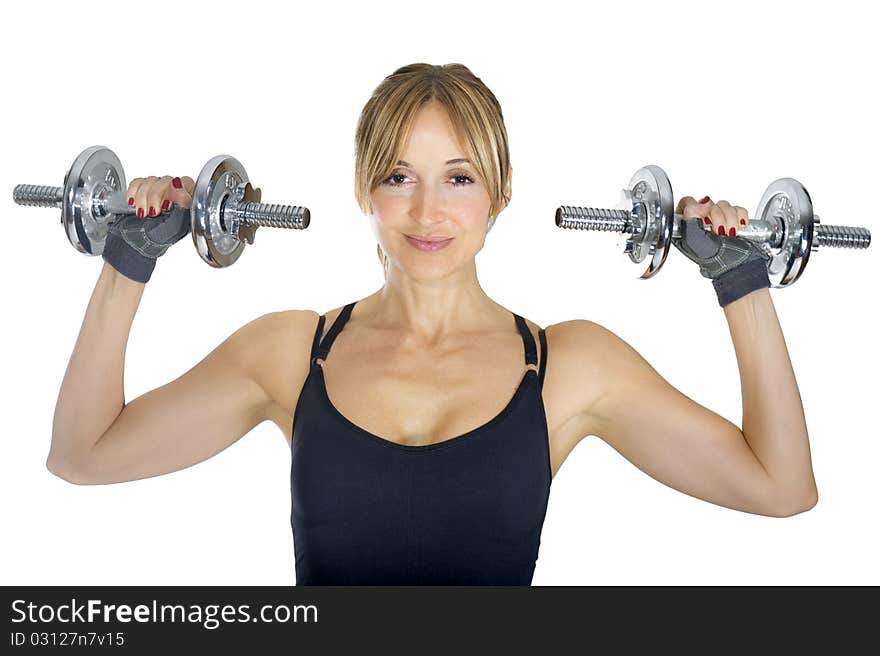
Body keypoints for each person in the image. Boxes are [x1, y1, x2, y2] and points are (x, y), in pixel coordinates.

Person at [46, 63, 818, 585]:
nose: (426, 212)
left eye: (458, 177)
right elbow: (85, 454)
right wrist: (129, 258)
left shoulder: (573, 366)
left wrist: (738, 277)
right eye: (397, 177)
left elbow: (780, 486)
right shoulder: (289, 353)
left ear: (500, 192)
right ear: (364, 188)